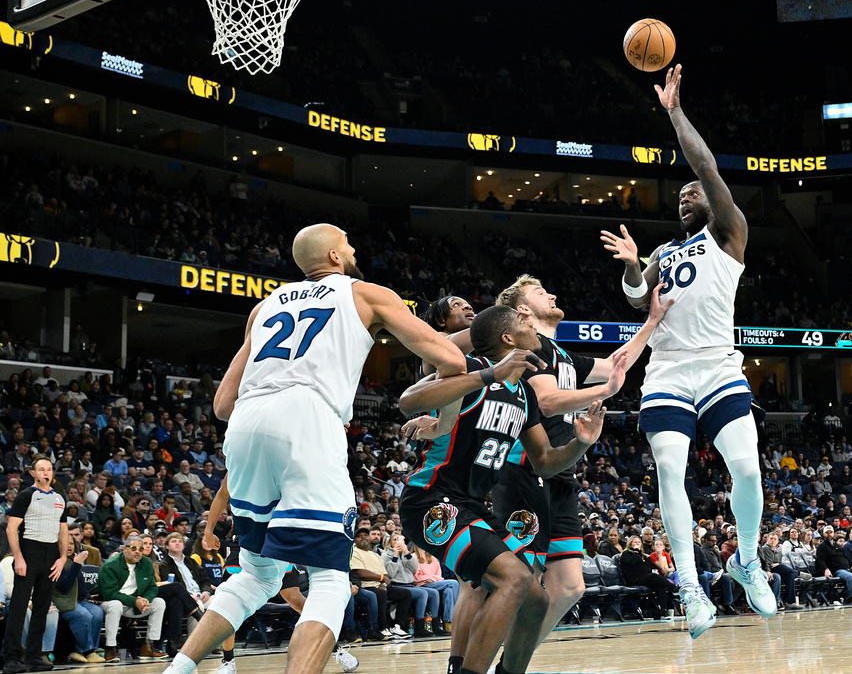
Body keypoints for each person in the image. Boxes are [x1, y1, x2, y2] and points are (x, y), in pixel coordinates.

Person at [162, 224, 465, 674]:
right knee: (329, 581)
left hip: (247, 423)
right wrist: (439, 417)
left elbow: (222, 404)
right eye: (349, 243)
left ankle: (178, 670)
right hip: (307, 418)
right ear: (337, 258)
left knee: (258, 575)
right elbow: (453, 361)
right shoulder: (367, 293)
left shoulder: (263, 307)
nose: (355, 248)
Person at [600, 64, 774, 639]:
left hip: (720, 367)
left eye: (692, 191)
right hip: (669, 373)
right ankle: (692, 590)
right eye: (679, 194)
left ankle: (745, 560)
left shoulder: (729, 232)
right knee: (670, 470)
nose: (685, 195)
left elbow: (705, 166)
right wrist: (631, 266)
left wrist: (674, 111)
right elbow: (633, 299)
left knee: (746, 468)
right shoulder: (662, 252)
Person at [397, 304, 609, 674]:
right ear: (508, 339)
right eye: (522, 322)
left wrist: (581, 444)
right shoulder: (472, 369)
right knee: (513, 577)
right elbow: (407, 401)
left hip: (473, 506)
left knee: (536, 602)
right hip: (431, 500)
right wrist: (489, 375)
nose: (531, 324)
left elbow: (544, 460)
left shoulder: (524, 395)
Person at [489, 273, 667, 660]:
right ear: (522, 310)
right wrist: (604, 391)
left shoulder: (562, 355)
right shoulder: (528, 351)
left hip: (559, 476)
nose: (551, 292)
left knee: (570, 587)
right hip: (523, 472)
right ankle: (480, 659)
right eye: (539, 291)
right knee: (522, 580)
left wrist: (652, 322)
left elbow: (617, 364)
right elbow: (548, 402)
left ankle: (511, 661)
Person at [3, 454, 69, 673]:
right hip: (29, 551)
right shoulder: (25, 496)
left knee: (42, 608)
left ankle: (34, 656)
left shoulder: (60, 497)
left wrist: (62, 558)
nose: (46, 473)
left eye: (49, 469)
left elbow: (63, 530)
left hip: (51, 554)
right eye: (41, 469)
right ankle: (11, 658)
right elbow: (11, 528)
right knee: (19, 608)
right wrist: (18, 557)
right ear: (33, 473)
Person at [98, 534, 168, 661]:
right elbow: (109, 594)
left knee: (159, 602)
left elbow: (152, 587)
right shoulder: (111, 565)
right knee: (115, 605)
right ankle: (110, 648)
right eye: (133, 548)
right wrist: (135, 601)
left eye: (140, 549)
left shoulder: (146, 563)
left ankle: (149, 645)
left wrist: (146, 600)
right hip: (110, 602)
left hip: (136, 603)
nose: (137, 552)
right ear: (124, 549)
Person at [52, 537, 106, 663]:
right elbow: (63, 586)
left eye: (72, 543)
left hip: (78, 600)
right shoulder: (56, 562)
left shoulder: (72, 560)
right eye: (66, 543)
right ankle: (88, 651)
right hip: (62, 601)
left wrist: (87, 597)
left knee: (97, 612)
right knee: (83, 614)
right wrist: (76, 565)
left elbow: (79, 587)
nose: (69, 546)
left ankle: (88, 649)